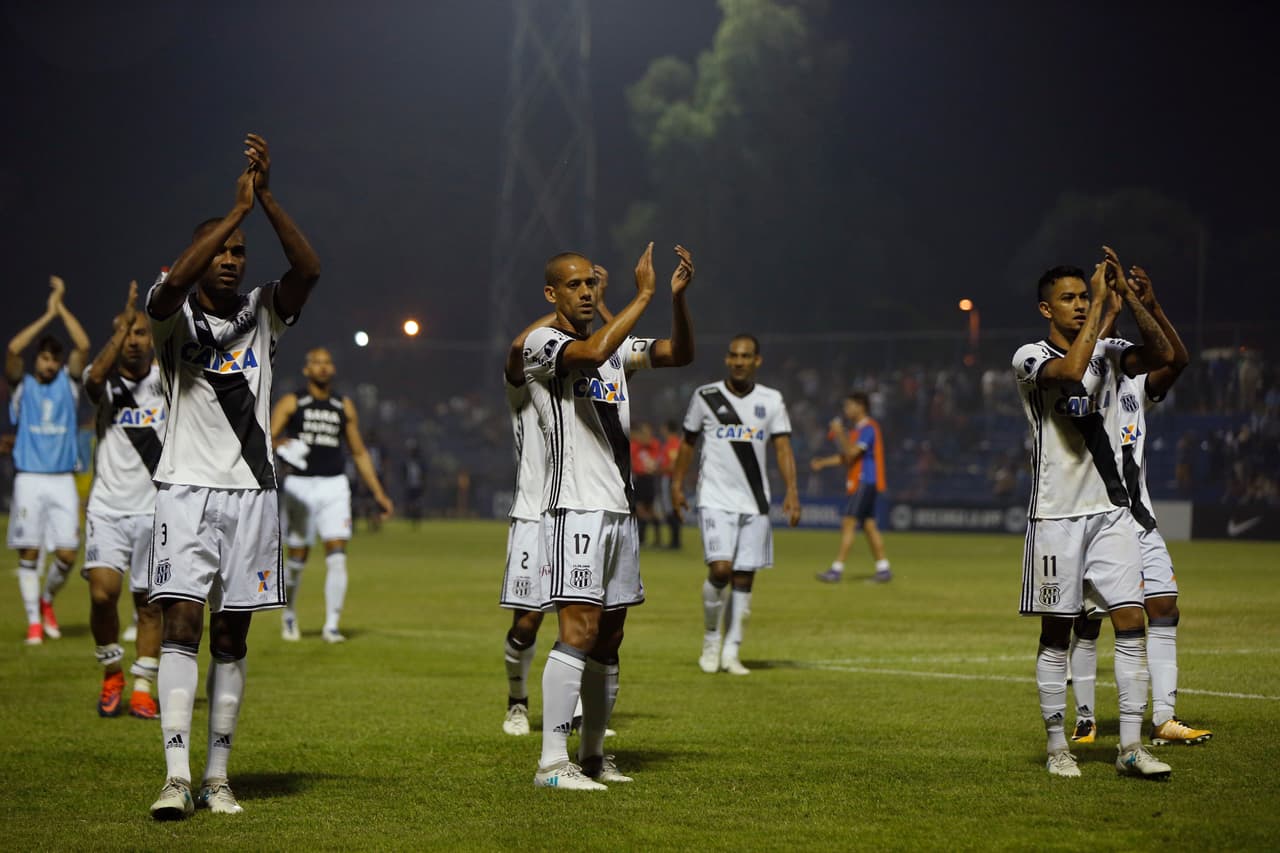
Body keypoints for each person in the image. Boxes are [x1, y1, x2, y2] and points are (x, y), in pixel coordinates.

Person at [146, 133, 320, 819]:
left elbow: (309, 268)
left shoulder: (263, 312)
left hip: (252, 494)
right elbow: (169, 286)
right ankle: (174, 773)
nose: (230, 259)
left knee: (231, 636)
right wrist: (232, 213)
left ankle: (218, 774)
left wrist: (267, 201)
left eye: (238, 253)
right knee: (181, 620)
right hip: (185, 487)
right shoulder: (171, 317)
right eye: (220, 249)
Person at [523, 243, 694, 790]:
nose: (586, 292)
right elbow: (593, 353)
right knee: (579, 629)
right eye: (573, 285)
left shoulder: (616, 347)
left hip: (620, 509)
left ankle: (594, 757)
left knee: (611, 634)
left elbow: (679, 354)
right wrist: (642, 292)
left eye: (590, 284)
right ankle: (552, 763)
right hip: (574, 506)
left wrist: (674, 299)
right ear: (552, 294)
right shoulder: (544, 343)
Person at [1012, 247, 1176, 780]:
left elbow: (1162, 355)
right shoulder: (1029, 357)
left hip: (1111, 513)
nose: (1080, 304)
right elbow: (1073, 369)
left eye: (1085, 295)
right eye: (1069, 299)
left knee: (1131, 621)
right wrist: (1105, 313)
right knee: (1057, 631)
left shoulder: (1111, 348)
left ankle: (1130, 745)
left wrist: (1133, 301)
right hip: (1056, 517)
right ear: (1046, 310)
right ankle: (1059, 746)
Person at [1068, 265, 1212, 747]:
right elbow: (1088, 363)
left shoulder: (1135, 389)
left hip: (1140, 519)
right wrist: (1107, 305)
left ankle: (1165, 718)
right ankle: (1086, 719)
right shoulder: (1076, 374)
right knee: (1088, 620)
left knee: (1165, 609)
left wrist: (1145, 303)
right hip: (1093, 518)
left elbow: (1177, 359)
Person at [670, 333, 801, 676]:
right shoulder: (707, 396)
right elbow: (686, 444)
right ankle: (712, 638)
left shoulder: (772, 400)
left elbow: (783, 448)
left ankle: (732, 650)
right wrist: (676, 483)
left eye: (746, 356)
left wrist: (792, 490)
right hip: (714, 498)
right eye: (734, 356)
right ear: (727, 360)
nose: (739, 361)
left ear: (757, 361)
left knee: (744, 578)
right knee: (721, 570)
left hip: (755, 502)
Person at [81, 281, 165, 718]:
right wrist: (127, 315)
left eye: (140, 333)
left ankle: (142, 686)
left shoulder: (166, 381)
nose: (133, 340)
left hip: (155, 509)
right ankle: (111, 670)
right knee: (102, 596)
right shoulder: (104, 383)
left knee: (149, 604)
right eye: (125, 333)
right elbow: (93, 379)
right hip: (109, 508)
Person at [271, 347, 394, 643]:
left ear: (333, 369)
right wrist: (283, 444)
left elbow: (359, 451)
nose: (323, 367)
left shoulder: (343, 405)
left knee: (337, 557)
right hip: (300, 486)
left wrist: (378, 493)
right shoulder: (293, 401)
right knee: (297, 559)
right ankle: (289, 614)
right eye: (316, 362)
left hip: (334, 485)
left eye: (327, 363)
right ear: (306, 369)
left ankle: (331, 625)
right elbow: (268, 438)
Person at [6, 275, 91, 644]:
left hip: (61, 480)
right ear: (37, 359)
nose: (50, 364)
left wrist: (62, 308)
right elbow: (12, 349)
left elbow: (83, 345)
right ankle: (34, 624)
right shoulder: (21, 385)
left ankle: (46, 600)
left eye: (54, 359)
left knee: (68, 554)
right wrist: (46, 316)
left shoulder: (69, 386)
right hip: (29, 478)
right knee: (30, 551)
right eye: (44, 358)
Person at [499, 311, 556, 736]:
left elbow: (614, 355)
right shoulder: (522, 389)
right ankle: (517, 701)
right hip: (532, 516)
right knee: (527, 622)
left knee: (583, 621)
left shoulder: (578, 385)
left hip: (578, 510)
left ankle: (572, 710)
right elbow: (517, 348)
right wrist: (566, 307)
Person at [812, 392, 891, 583]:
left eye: (849, 406)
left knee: (848, 522)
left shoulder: (869, 428)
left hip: (865, 480)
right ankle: (883, 569)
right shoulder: (857, 431)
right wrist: (823, 462)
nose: (846, 410)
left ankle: (836, 569)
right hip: (864, 481)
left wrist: (839, 433)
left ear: (861, 406)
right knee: (869, 526)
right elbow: (846, 457)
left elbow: (852, 452)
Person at [630, 422, 661, 545]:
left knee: (647, 509)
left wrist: (638, 435)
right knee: (640, 508)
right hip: (639, 478)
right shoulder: (635, 445)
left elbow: (647, 442)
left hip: (648, 478)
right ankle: (643, 537)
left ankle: (651, 538)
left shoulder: (653, 444)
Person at [656, 421, 683, 549]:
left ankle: (675, 542)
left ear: (667, 428)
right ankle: (675, 541)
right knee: (672, 508)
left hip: (670, 479)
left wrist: (658, 469)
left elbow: (673, 465)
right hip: (671, 478)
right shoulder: (673, 443)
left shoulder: (672, 444)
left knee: (671, 508)